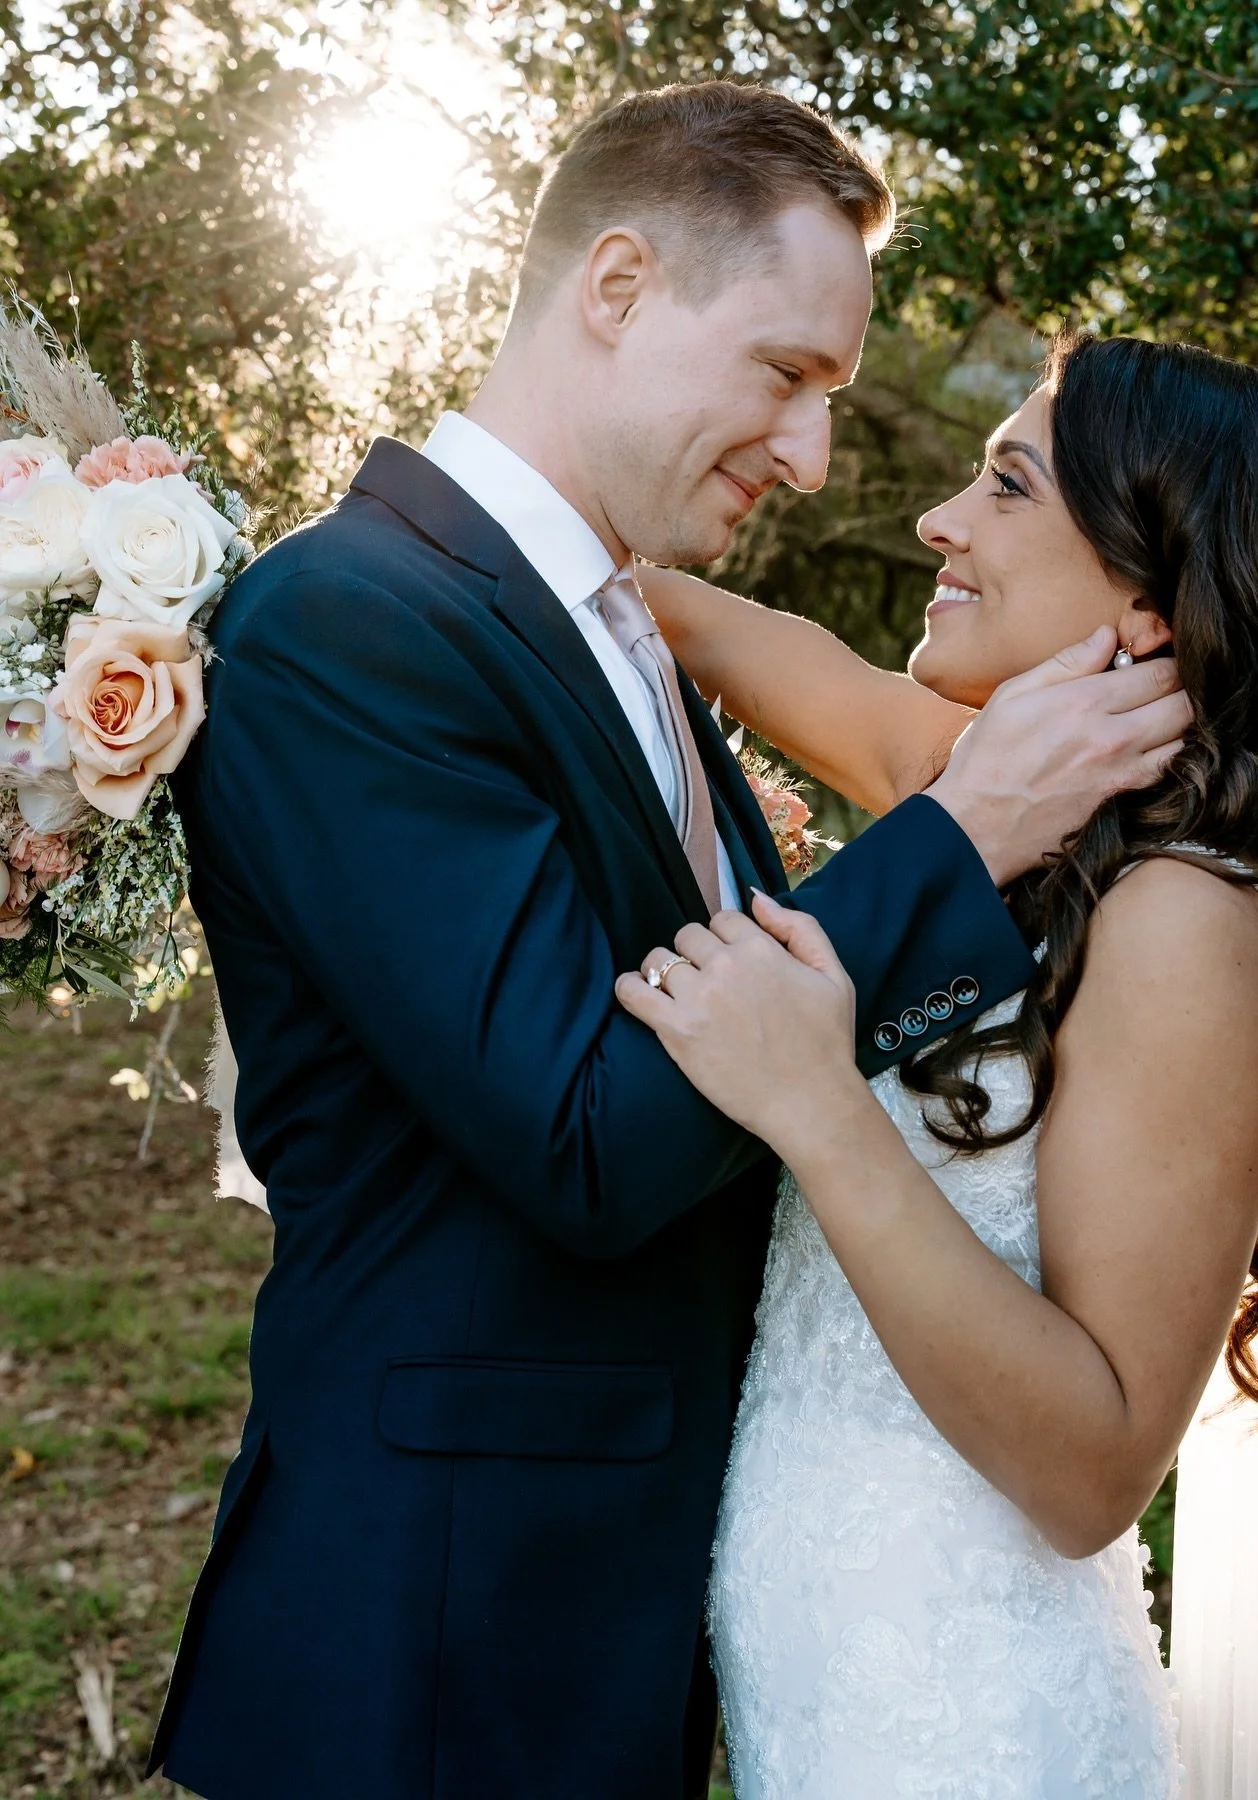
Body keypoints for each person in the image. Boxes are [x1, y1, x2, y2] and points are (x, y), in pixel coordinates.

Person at [146, 86, 1188, 1800]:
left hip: (623, 1620)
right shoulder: (347, 624)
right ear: (617, 287)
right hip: (435, 1656)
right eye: (788, 376)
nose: (813, 459)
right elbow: (582, 1133)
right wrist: (968, 832)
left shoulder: (611, 620)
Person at [622, 334, 1258, 1797]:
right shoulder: (997, 805)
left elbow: (1096, 1469)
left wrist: (820, 1107)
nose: (940, 519)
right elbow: (692, 618)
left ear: (1146, 594)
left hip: (982, 1739)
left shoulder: (1187, 926)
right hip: (817, 1709)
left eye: (1007, 484)